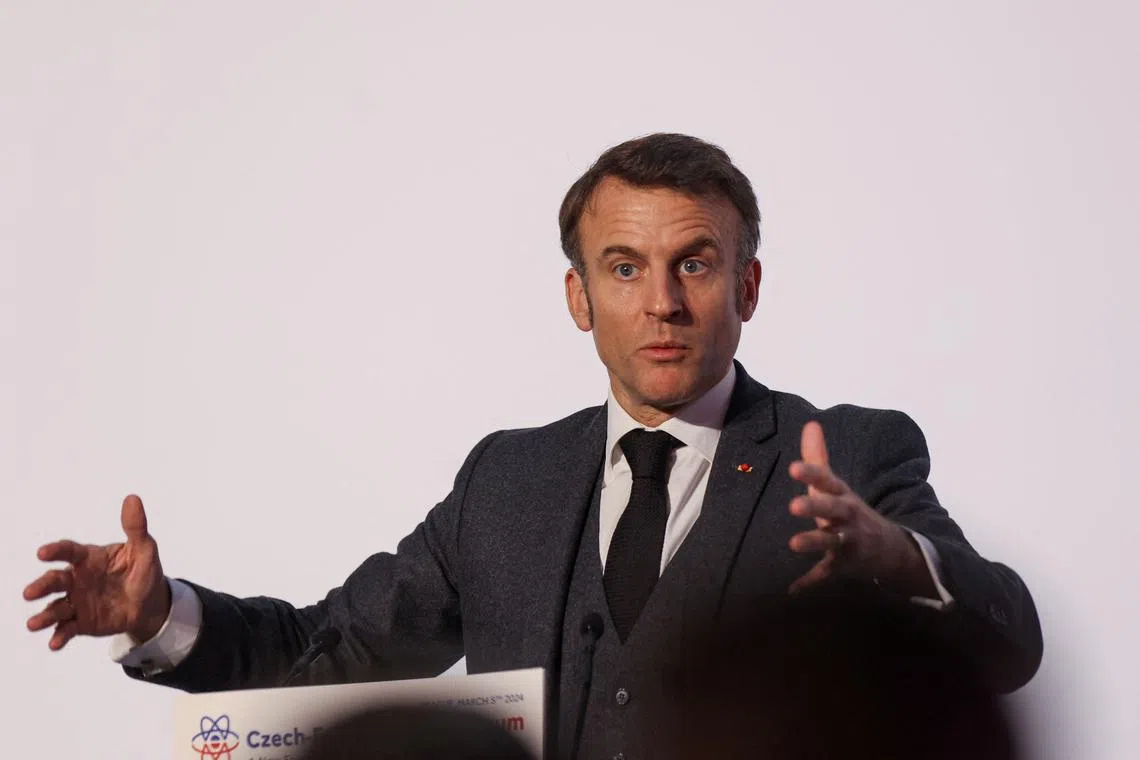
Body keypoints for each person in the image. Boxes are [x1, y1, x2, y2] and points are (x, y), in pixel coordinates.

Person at [24, 134, 1043, 760]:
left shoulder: (851, 456)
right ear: (578, 297)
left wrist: (900, 565)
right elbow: (328, 656)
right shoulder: (508, 480)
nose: (662, 302)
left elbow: (1011, 646)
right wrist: (162, 616)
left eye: (694, 263)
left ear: (747, 288)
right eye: (623, 266)